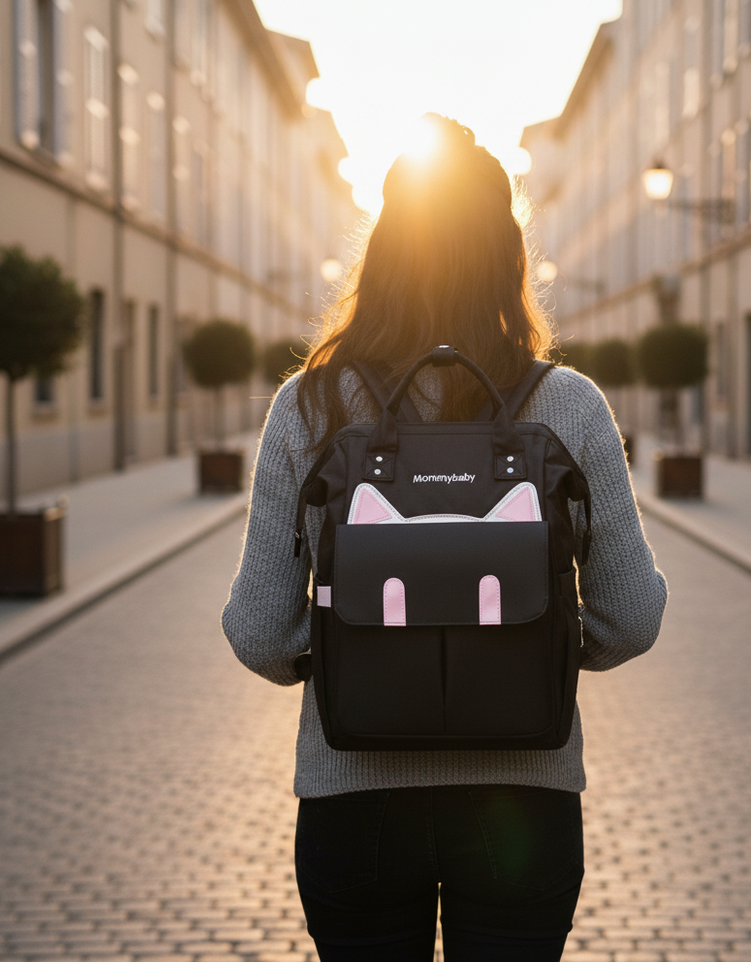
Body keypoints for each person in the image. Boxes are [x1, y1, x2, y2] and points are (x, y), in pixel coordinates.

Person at [222, 114, 668, 962]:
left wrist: (347, 642)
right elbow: (631, 618)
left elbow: (260, 636)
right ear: (509, 257)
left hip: (353, 801)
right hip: (522, 802)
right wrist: (530, 643)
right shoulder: (568, 406)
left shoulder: (310, 407)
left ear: (381, 253)